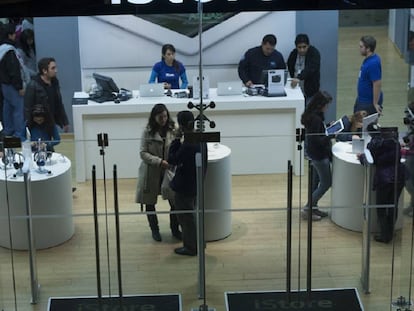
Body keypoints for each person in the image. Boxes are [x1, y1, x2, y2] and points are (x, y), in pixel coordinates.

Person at [135, 103, 181, 242]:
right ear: (154, 117)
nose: (163, 119)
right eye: (160, 117)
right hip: (151, 171)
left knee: (174, 201)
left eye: (165, 116)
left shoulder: (173, 129)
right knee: (150, 202)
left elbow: (179, 145)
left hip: (168, 171)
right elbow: (143, 153)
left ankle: (175, 229)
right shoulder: (147, 131)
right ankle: (154, 230)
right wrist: (159, 161)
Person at [168, 110, 207, 256]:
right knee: (191, 217)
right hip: (195, 184)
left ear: (182, 125)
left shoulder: (187, 145)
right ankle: (198, 243)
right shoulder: (200, 138)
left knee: (186, 219)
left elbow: (172, 159)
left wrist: (176, 140)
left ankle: (191, 247)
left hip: (184, 187)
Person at [359, 124, 405, 243]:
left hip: (384, 179)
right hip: (399, 176)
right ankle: (390, 231)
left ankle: (385, 236)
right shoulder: (395, 141)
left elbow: (369, 161)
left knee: (381, 208)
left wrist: (361, 157)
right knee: (392, 206)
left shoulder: (373, 145)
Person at [300, 91, 333, 221]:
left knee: (315, 183)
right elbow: (317, 141)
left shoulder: (311, 116)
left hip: (313, 154)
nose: (327, 107)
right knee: (326, 183)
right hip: (319, 156)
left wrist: (328, 128)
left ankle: (313, 207)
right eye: (326, 105)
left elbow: (316, 135)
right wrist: (330, 135)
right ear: (320, 105)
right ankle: (308, 208)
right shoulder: (316, 119)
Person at [24, 57, 69, 133]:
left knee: (54, 141)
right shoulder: (33, 85)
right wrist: (28, 127)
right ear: (44, 71)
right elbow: (27, 108)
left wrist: (65, 121)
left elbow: (59, 103)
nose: (56, 71)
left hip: (52, 121)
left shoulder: (54, 82)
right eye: (53, 68)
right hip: (38, 124)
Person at [0, 23, 26, 140]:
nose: (16, 36)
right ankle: (19, 135)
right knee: (18, 110)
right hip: (12, 85)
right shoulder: (10, 51)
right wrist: (19, 86)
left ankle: (8, 130)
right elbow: (14, 71)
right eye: (14, 34)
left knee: (7, 108)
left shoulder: (1, 49)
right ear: (10, 35)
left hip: (4, 85)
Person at [287, 34, 321, 103]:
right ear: (296, 47)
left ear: (308, 45)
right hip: (296, 89)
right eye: (299, 47)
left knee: (310, 111)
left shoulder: (314, 53)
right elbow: (290, 66)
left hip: (310, 90)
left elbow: (310, 69)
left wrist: (299, 78)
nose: (302, 50)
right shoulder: (293, 54)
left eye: (304, 47)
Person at [354, 35, 383, 115]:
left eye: (361, 47)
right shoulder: (369, 59)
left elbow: (377, 83)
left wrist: (375, 103)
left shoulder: (373, 63)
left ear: (368, 49)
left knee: (363, 126)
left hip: (368, 103)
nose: (359, 49)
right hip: (362, 99)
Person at [402, 102, 414, 217]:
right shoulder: (411, 130)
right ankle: (412, 205)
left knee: (410, 183)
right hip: (410, 157)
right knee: (409, 182)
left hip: (411, 158)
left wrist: (402, 151)